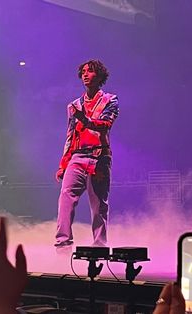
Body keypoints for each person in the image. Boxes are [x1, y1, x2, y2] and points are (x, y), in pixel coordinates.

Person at [55, 59, 119, 248]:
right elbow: (70, 136)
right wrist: (63, 164)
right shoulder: (74, 105)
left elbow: (106, 125)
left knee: (99, 205)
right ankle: (62, 245)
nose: (85, 74)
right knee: (65, 199)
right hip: (77, 157)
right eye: (83, 71)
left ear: (99, 76)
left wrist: (86, 119)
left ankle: (99, 247)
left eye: (90, 71)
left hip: (99, 157)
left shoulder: (110, 100)